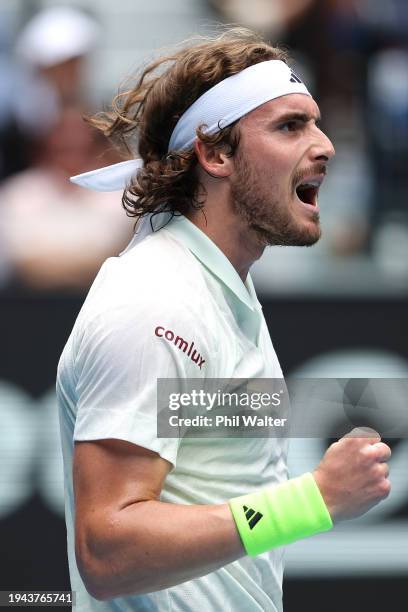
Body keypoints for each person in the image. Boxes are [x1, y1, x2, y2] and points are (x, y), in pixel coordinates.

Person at [57, 28, 391, 611]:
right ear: (214, 154)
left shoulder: (215, 285)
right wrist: (312, 500)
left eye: (315, 121)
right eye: (290, 126)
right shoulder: (156, 301)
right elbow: (107, 550)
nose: (326, 144)